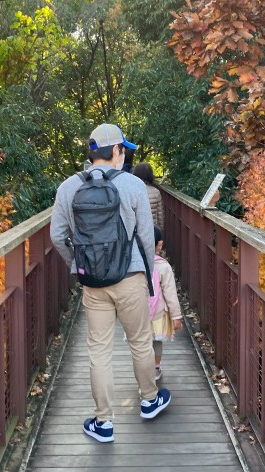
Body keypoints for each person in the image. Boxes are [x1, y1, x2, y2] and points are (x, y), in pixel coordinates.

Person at [50, 123, 171, 443]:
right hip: (130, 275)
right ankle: (148, 399)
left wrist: (77, 267)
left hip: (93, 281)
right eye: (124, 150)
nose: (125, 155)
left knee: (99, 351)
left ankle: (103, 422)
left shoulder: (68, 187)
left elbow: (56, 236)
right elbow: (146, 235)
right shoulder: (133, 186)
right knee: (140, 341)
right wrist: (148, 272)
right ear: (116, 151)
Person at [149, 225, 183, 381]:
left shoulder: (131, 263)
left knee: (140, 343)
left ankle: (142, 369)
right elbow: (170, 293)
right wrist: (176, 316)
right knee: (156, 341)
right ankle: (155, 369)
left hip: (137, 312)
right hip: (158, 313)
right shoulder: (163, 266)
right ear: (160, 244)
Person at [133, 162, 164, 230]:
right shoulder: (156, 192)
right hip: (152, 229)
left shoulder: (132, 191)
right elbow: (160, 215)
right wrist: (160, 232)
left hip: (136, 229)